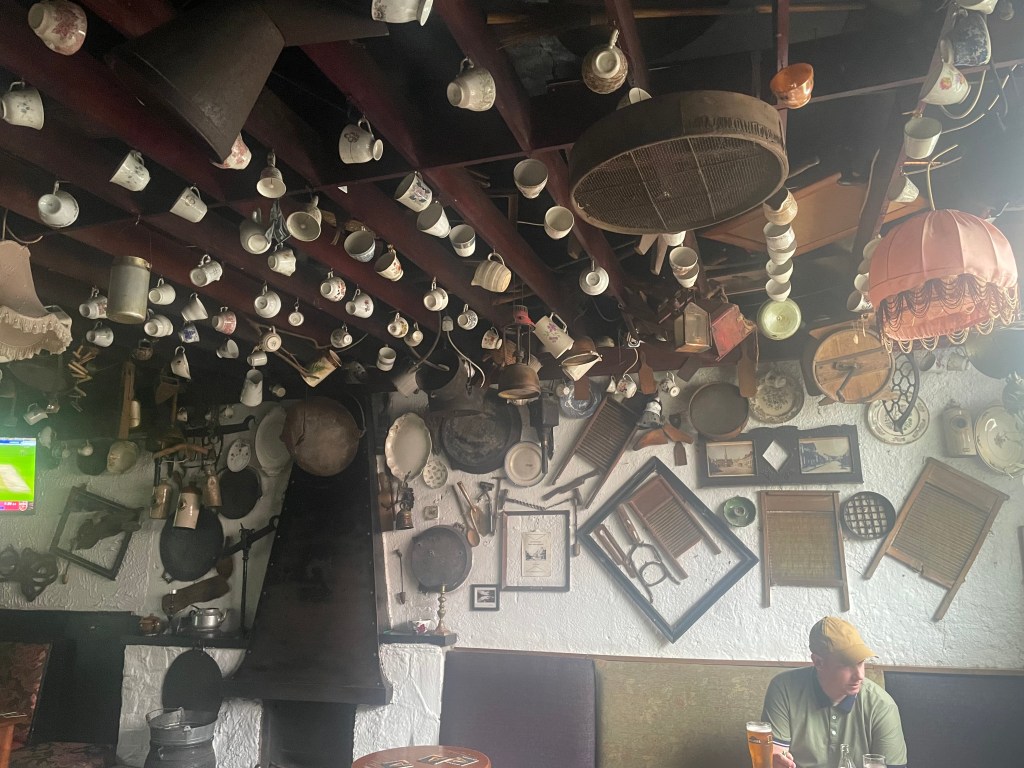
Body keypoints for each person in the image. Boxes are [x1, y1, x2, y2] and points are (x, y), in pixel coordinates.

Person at [761, 617, 907, 768]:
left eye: (861, 662)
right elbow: (776, 756)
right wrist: (774, 759)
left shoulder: (882, 705)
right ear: (818, 662)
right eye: (847, 665)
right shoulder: (784, 688)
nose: (860, 675)